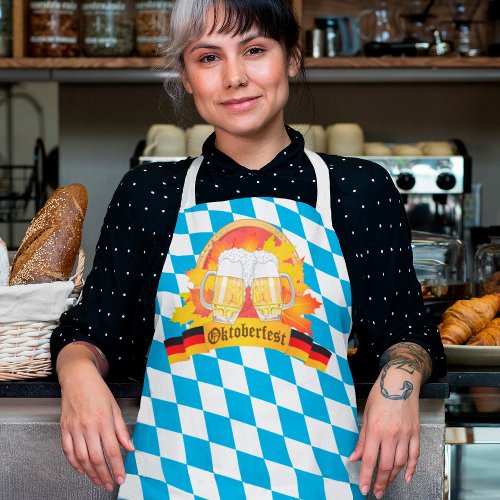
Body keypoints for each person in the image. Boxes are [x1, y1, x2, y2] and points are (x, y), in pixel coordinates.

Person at [50, 0, 447, 498]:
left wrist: (400, 383)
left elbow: (408, 332)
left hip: (320, 479)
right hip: (177, 482)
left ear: (292, 58)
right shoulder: (150, 193)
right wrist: (78, 373)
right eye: (209, 57)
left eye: (255, 50)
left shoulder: (358, 188)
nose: (235, 77)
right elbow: (93, 332)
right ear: (186, 76)